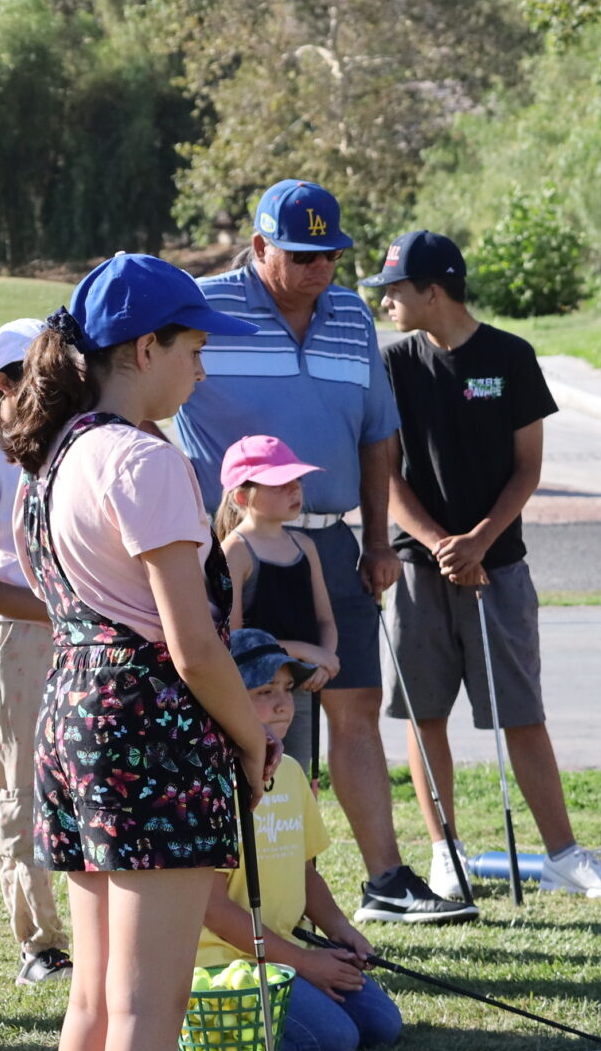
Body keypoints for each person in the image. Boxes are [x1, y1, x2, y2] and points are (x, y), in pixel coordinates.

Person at [10, 252, 298, 1051]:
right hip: (149, 728)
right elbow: (196, 644)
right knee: (143, 1006)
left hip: (77, 717)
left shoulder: (53, 460)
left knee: (95, 1001)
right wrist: (251, 738)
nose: (200, 369)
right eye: (193, 348)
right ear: (145, 348)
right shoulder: (143, 458)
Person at [173, 179, 469, 924]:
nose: (320, 269)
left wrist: (379, 541)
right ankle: (259, 893)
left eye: (330, 254)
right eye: (302, 255)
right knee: (257, 715)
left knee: (356, 704)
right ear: (259, 246)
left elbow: (377, 437)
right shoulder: (201, 306)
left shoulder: (351, 315)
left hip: (333, 540)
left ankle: (386, 880)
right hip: (235, 546)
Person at [365, 232, 601, 900]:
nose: (386, 302)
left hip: (499, 568)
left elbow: (528, 469)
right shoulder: (391, 363)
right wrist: (443, 544)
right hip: (419, 568)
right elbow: (385, 474)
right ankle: (445, 852)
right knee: (425, 714)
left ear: (434, 291)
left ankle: (564, 856)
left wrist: (479, 542)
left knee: (521, 713)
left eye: (395, 289)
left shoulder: (510, 356)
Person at [196, 629, 400, 1051]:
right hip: (223, 965)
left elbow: (306, 873)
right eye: (264, 691)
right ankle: (197, 1026)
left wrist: (341, 932)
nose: (283, 704)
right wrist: (305, 964)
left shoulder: (288, 770)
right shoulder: (210, 780)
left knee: (382, 1026)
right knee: (334, 1040)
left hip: (282, 954)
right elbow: (212, 909)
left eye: (287, 689)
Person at [0, 319, 64, 986]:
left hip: (61, 630)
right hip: (11, 633)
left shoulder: (54, 451)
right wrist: (65, 609)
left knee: (69, 782)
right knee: (20, 788)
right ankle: (41, 945)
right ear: (5, 383)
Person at [214, 436, 340, 773]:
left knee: (297, 775)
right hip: (255, 693)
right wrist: (307, 653)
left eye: (296, 480)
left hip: (301, 683)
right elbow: (233, 637)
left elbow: (325, 620)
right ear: (242, 497)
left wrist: (323, 661)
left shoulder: (304, 545)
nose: (294, 489)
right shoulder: (235, 551)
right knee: (260, 775)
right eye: (279, 483)